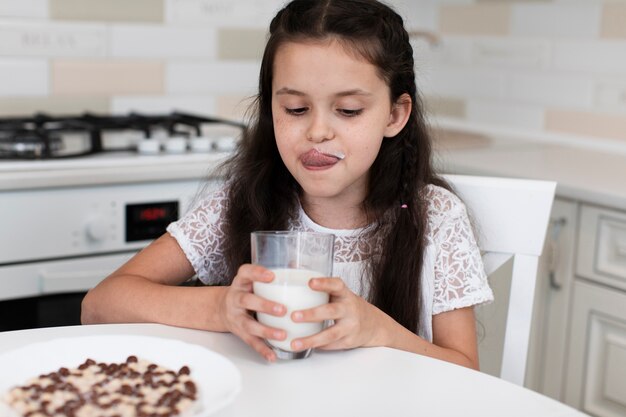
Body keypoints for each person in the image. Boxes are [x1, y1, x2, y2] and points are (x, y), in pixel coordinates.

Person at [82, 0, 493, 368]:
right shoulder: (245, 202)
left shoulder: (435, 217)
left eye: (348, 110)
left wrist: (378, 331)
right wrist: (222, 306)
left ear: (394, 115)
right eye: (295, 109)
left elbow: (465, 370)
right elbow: (99, 305)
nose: (317, 131)